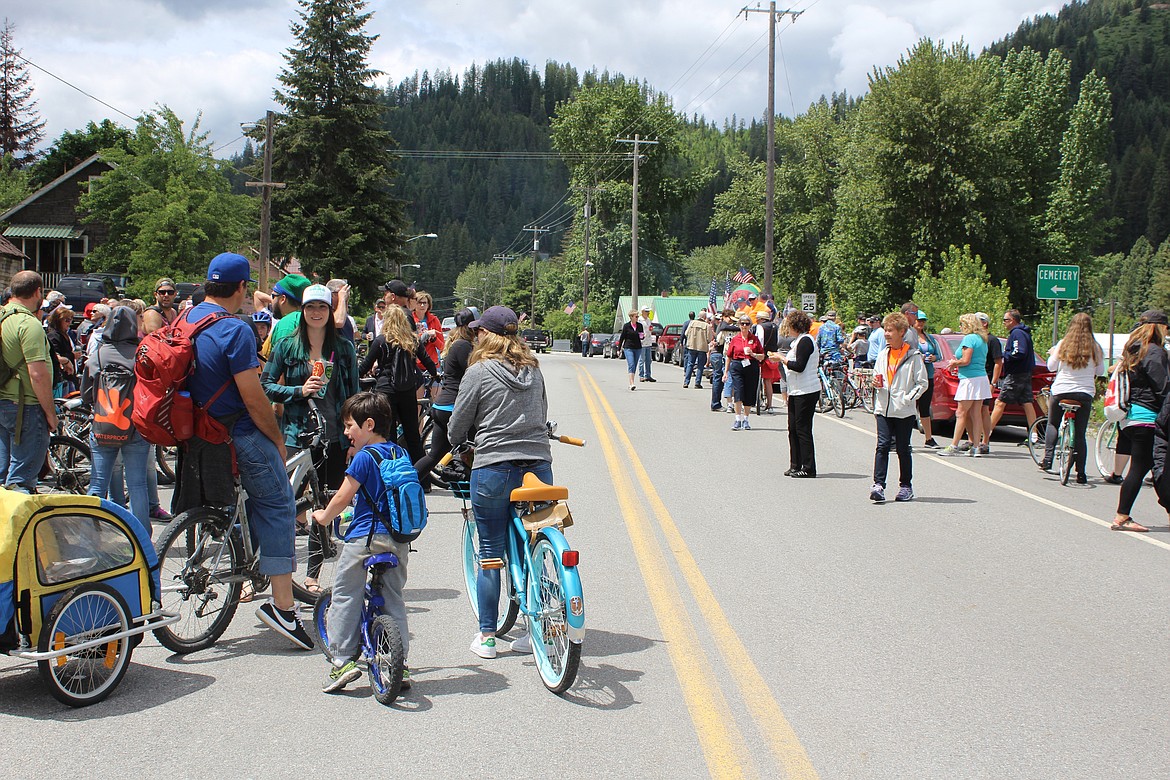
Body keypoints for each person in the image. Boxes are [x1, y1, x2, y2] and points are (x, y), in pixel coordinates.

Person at [182, 252, 313, 649]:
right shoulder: (235, 330)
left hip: (197, 431)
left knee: (234, 504)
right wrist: (275, 437)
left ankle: (248, 563)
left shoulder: (185, 320)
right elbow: (253, 397)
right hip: (237, 430)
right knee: (278, 507)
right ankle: (283, 608)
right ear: (241, 288)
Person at [448, 306, 551, 659]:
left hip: (494, 467)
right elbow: (543, 412)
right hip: (538, 467)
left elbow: (458, 424)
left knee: (490, 553)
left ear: (484, 335)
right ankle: (540, 621)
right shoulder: (535, 370)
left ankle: (488, 636)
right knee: (533, 542)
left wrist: (457, 439)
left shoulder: (478, 372)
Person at [311, 392, 413, 693]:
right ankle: (400, 664)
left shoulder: (364, 458)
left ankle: (342, 661)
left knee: (345, 593)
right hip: (398, 540)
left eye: (349, 425)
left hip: (365, 539)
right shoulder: (399, 453)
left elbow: (343, 496)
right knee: (393, 596)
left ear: (369, 424)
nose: (346, 432)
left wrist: (324, 517)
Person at [261, 283, 360, 592]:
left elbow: (354, 396)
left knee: (325, 505)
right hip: (294, 432)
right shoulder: (287, 345)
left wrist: (353, 441)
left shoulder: (343, 349)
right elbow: (264, 384)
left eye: (322, 307)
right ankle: (269, 569)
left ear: (331, 312)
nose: (316, 313)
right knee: (282, 504)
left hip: (332, 435)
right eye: (310, 307)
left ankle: (313, 575)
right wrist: (297, 391)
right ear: (302, 312)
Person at [81, 306, 152, 532]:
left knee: (98, 483)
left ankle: (90, 535)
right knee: (138, 484)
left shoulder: (98, 355)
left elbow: (85, 395)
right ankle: (142, 538)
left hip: (103, 425)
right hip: (134, 427)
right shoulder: (141, 354)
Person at [1110, 310, 1170, 532]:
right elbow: (1163, 388)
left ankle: (1123, 515)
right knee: (1143, 467)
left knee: (1151, 467)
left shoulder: (1133, 350)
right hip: (1149, 418)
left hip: (1133, 416)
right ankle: (1122, 516)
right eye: (1166, 327)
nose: (1167, 332)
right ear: (1158, 328)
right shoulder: (1154, 352)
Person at [358, 303, 439, 467]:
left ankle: (392, 475)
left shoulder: (381, 341)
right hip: (407, 390)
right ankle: (421, 478)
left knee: (388, 435)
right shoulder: (412, 341)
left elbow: (365, 366)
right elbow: (429, 363)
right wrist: (434, 375)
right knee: (413, 436)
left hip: (385, 391)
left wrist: (358, 376)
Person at [0, 271, 58, 492]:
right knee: (21, 481)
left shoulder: (3, 317)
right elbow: (38, 374)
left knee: (3, 475)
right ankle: (16, 526)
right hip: (26, 406)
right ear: (38, 292)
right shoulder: (28, 323)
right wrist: (51, 414)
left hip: (4, 403)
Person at [414, 308, 477, 488]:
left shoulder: (455, 343)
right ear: (470, 327)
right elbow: (475, 375)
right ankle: (476, 492)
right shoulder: (464, 346)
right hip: (456, 407)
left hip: (443, 406)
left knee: (435, 455)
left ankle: (403, 485)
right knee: (475, 449)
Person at [869, 312, 928, 502]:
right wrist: (875, 383)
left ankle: (906, 486)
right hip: (883, 407)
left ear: (902, 332)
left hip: (903, 410)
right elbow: (878, 375)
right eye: (885, 330)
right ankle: (878, 485)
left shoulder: (913, 356)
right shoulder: (883, 354)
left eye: (890, 330)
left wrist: (908, 397)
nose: (886, 334)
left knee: (903, 448)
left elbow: (922, 383)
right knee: (882, 446)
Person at [1041, 313, 1104, 484]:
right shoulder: (1095, 348)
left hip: (1061, 390)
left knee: (1053, 423)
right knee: (1081, 434)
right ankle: (1081, 473)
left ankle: (1047, 458)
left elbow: (1051, 366)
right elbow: (1100, 372)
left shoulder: (1063, 344)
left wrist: (1053, 353)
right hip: (1084, 393)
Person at [938, 314, 990, 457]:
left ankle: (953, 445)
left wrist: (954, 363)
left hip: (969, 379)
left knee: (961, 413)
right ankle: (976, 446)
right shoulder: (982, 339)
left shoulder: (969, 339)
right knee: (976, 413)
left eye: (962, 325)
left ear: (967, 325)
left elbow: (966, 360)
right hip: (980, 377)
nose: (960, 327)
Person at [988, 309, 1037, 441]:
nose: (1004, 323)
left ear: (1013, 321)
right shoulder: (1022, 333)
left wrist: (1005, 355)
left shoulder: (1017, 333)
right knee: (1027, 402)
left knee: (1000, 402)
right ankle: (1034, 436)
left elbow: (1019, 352)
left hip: (1016, 374)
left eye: (1005, 320)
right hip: (1025, 372)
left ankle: (985, 432)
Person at [783, 310, 820, 477]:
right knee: (793, 428)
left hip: (807, 390)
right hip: (797, 390)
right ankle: (795, 464)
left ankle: (808, 467)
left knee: (803, 429)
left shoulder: (806, 341)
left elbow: (799, 366)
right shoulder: (798, 341)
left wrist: (782, 359)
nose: (787, 328)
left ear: (795, 326)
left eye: (789, 325)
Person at [726, 314, 763, 429]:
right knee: (738, 391)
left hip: (751, 365)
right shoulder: (735, 339)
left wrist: (752, 354)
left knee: (749, 392)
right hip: (737, 365)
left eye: (747, 324)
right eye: (742, 324)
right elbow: (729, 356)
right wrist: (725, 372)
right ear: (739, 325)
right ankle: (737, 419)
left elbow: (762, 356)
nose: (744, 326)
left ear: (750, 326)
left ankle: (746, 419)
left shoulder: (754, 339)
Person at [262, 273, 312, 358]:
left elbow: (282, 364)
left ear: (282, 299)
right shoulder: (311, 320)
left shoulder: (287, 324)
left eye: (273, 296)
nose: (271, 300)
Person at [913, 310, 942, 448]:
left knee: (925, 406)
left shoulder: (929, 338)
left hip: (927, 375)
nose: (921, 323)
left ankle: (929, 439)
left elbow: (938, 355)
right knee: (909, 406)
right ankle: (903, 439)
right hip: (912, 376)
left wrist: (933, 358)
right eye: (919, 320)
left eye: (923, 321)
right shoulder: (909, 336)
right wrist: (920, 357)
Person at [44, 305, 77, 398]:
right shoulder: (53, 335)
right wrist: (69, 358)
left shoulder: (64, 334)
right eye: (66, 320)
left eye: (71, 320)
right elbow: (55, 356)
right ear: (58, 320)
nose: (69, 323)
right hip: (61, 377)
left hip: (68, 376)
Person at [754, 309, 780, 412]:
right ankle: (770, 405)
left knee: (757, 378)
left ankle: (756, 399)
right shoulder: (775, 327)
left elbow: (760, 340)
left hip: (763, 354)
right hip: (772, 355)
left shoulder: (761, 327)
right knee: (768, 381)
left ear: (761, 319)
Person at [709, 310, 735, 410]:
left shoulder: (722, 325)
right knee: (719, 379)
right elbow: (720, 340)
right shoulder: (723, 325)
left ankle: (716, 403)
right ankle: (716, 403)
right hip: (718, 354)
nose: (731, 319)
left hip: (717, 354)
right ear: (724, 316)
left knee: (719, 379)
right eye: (730, 317)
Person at [683, 311, 711, 389]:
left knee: (690, 364)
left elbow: (686, 333)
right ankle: (697, 383)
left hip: (692, 346)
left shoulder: (692, 323)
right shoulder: (707, 325)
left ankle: (686, 382)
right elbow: (709, 338)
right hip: (702, 347)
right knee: (700, 366)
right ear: (705, 317)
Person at [618, 310, 644, 391]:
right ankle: (631, 383)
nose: (637, 318)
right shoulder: (626, 326)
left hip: (638, 348)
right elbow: (622, 338)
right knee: (631, 364)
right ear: (631, 317)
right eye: (636, 316)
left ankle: (632, 381)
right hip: (628, 347)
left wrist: (643, 336)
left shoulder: (640, 326)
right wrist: (619, 349)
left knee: (634, 365)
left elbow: (641, 336)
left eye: (637, 317)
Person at [638, 305, 656, 382]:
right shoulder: (639, 320)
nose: (648, 313)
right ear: (642, 312)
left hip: (648, 342)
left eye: (648, 311)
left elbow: (650, 328)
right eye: (646, 311)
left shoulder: (648, 320)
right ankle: (641, 376)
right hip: (642, 343)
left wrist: (651, 330)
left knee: (649, 360)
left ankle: (648, 375)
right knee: (642, 360)